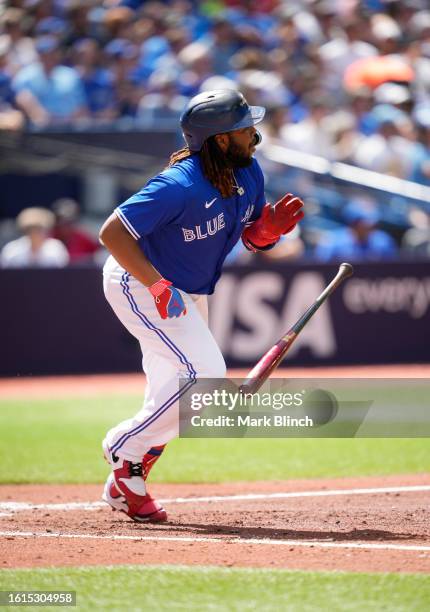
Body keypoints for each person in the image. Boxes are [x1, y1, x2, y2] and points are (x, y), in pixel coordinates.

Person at [99, 89, 304, 523]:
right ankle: (123, 447)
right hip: (140, 283)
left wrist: (269, 230)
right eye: (245, 127)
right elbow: (112, 233)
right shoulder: (178, 185)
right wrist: (155, 285)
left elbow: (250, 237)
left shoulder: (248, 173)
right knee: (206, 382)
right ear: (220, 139)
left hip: (188, 289)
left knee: (169, 392)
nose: (255, 134)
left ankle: (128, 481)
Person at [0, 207, 70, 268]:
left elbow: (62, 275)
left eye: (39, 229)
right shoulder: (12, 250)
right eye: (31, 229)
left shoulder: (56, 248)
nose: (35, 233)